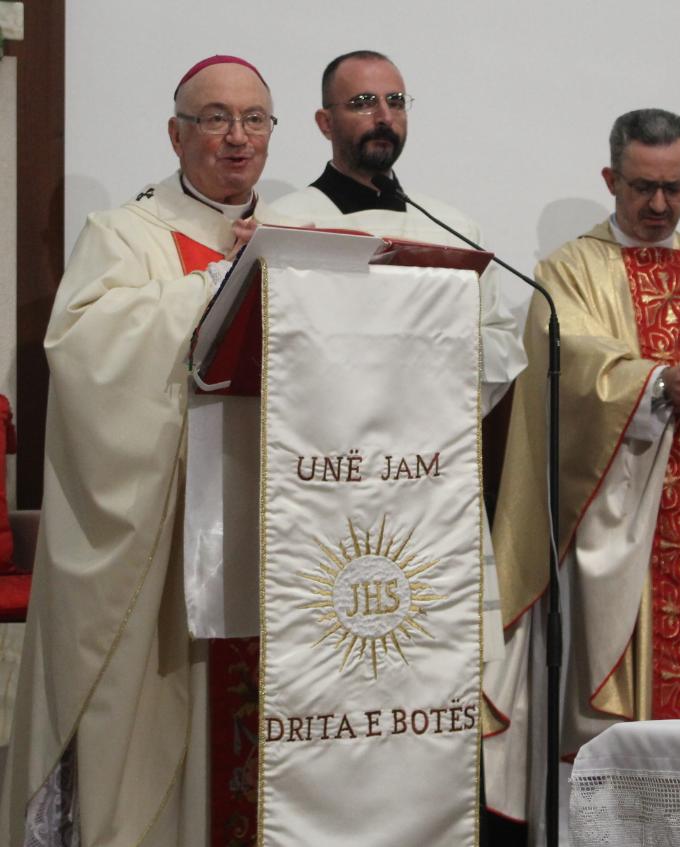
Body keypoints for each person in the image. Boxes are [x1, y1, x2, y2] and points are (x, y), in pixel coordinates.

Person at [484, 108, 680, 825]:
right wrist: (653, 383)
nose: (659, 205)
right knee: (605, 699)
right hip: (612, 529)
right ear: (610, 179)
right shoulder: (569, 269)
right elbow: (569, 371)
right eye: (643, 187)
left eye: (675, 189)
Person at [0, 55, 273, 846]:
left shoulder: (296, 236)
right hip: (163, 542)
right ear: (175, 133)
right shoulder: (126, 233)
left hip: (265, 533)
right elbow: (82, 353)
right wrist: (219, 280)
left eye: (254, 119)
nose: (236, 137)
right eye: (215, 118)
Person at [263, 50, 524, 416]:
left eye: (396, 102)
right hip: (321, 444)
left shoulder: (454, 230)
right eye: (364, 103)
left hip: (430, 447)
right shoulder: (283, 224)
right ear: (325, 123)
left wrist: (428, 364)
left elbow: (500, 343)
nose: (385, 117)